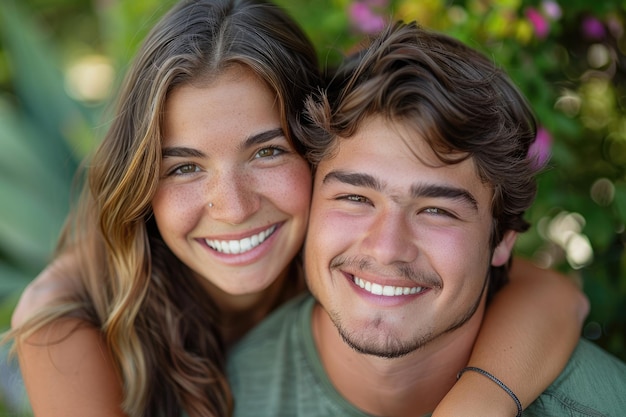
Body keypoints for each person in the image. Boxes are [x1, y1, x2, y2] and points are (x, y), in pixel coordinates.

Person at [3, 1, 588, 417]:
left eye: (266, 151)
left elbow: (551, 294)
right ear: (142, 185)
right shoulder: (69, 321)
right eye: (183, 166)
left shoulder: (352, 254)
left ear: (319, 150)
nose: (232, 208)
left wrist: (479, 402)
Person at [227, 20, 626, 417]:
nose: (387, 250)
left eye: (437, 211)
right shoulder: (224, 396)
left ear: (502, 239)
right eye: (354, 198)